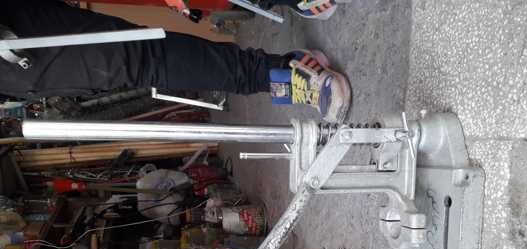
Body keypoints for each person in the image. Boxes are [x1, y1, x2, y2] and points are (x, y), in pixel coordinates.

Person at [0, 0, 351, 122]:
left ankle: (284, 68)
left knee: (133, 56)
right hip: (23, 73)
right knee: (136, 63)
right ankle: (284, 72)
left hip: (21, 31)